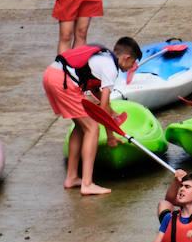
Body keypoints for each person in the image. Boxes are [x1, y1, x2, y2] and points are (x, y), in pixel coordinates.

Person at [42, 37, 141, 196]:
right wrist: (110, 136)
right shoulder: (111, 68)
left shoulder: (103, 58)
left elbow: (96, 91)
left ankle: (72, 177)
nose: (130, 68)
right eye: (132, 63)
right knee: (92, 128)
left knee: (80, 127)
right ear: (126, 58)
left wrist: (113, 113)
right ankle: (87, 184)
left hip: (51, 75)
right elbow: (103, 108)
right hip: (63, 81)